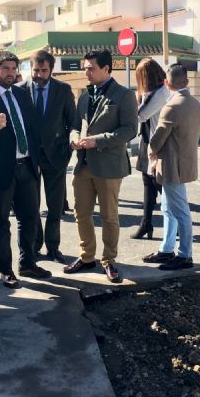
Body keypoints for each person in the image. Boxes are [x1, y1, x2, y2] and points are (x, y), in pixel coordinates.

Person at [0, 51, 51, 289]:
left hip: (26, 166)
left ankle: (27, 263)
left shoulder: (21, 94)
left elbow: (32, 129)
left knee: (30, 217)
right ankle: (5, 270)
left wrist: (35, 159)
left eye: (14, 69)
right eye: (6, 69)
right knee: (1, 222)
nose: (11, 73)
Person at [63, 50, 138, 283]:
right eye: (85, 68)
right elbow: (76, 125)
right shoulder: (85, 95)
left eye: (91, 68)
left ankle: (109, 260)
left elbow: (130, 130)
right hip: (83, 164)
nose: (87, 72)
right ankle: (87, 257)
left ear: (106, 68)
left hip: (109, 165)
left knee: (109, 216)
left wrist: (97, 141)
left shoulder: (124, 95)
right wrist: (73, 139)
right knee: (81, 213)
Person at [141, 65, 200, 270]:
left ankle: (185, 255)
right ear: (186, 82)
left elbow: (156, 140)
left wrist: (151, 153)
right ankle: (167, 249)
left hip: (171, 165)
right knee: (168, 208)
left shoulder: (171, 106)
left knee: (180, 211)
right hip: (185, 162)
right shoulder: (196, 105)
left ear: (166, 83)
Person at [18, 50, 75, 263]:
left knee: (55, 207)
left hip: (56, 157)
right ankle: (35, 246)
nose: (39, 75)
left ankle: (53, 247)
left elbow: (72, 122)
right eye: (36, 70)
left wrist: (68, 150)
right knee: (32, 206)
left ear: (51, 69)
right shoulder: (19, 90)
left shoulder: (63, 90)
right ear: (30, 68)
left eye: (44, 70)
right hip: (29, 159)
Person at [130, 58, 170, 240]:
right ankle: (146, 224)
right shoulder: (152, 92)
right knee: (148, 184)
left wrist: (139, 97)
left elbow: (141, 115)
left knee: (160, 186)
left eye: (140, 77)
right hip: (146, 141)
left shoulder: (161, 92)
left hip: (156, 143)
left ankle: (176, 223)